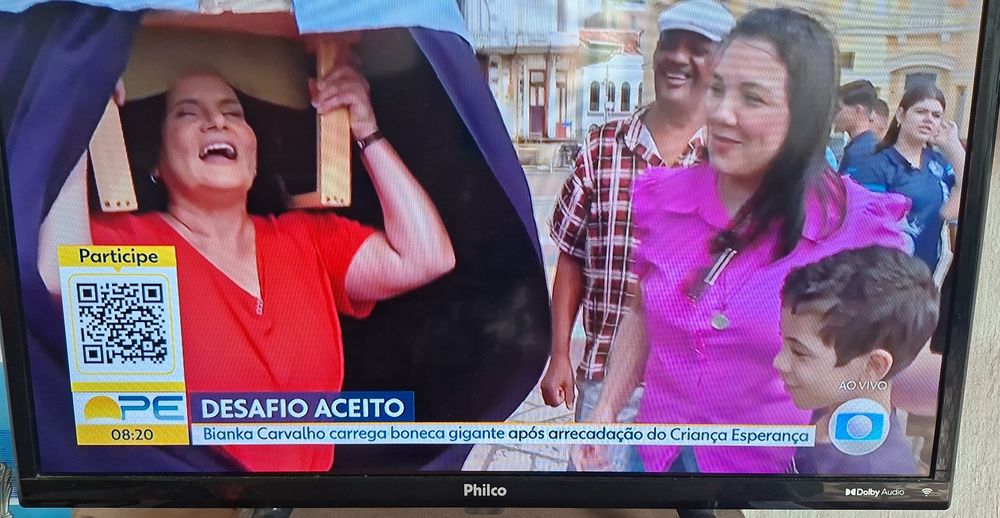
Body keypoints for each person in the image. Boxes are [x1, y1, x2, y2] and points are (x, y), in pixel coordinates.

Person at [37, 47, 456, 472]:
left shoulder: (305, 240)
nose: (216, 121)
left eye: (233, 113)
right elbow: (54, 280)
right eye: (187, 113)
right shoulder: (133, 250)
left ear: (254, 156)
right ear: (158, 161)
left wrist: (366, 129)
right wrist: (78, 114)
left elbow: (426, 256)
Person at [572, 8, 911, 474]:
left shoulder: (857, 227)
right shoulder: (666, 197)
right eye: (717, 88)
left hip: (765, 480)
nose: (721, 113)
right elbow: (639, 313)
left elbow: (882, 372)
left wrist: (847, 446)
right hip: (652, 460)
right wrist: (605, 413)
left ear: (805, 114)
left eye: (753, 97)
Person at [542, 0, 734, 472]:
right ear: (654, 53)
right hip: (604, 379)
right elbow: (571, 256)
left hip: (698, 395)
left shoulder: (732, 162)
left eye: (699, 49)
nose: (679, 58)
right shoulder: (601, 147)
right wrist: (560, 354)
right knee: (591, 501)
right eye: (671, 44)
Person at [774, 246, 938, 475]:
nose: (778, 363)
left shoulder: (874, 478)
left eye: (800, 353)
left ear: (873, 366)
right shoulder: (830, 403)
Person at [849, 82, 965, 273]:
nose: (929, 119)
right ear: (901, 115)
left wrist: (954, 149)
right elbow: (862, 228)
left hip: (925, 282)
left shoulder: (938, 165)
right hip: (881, 279)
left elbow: (952, 210)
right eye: (921, 112)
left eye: (936, 116)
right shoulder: (877, 163)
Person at [833, 80, 880, 176]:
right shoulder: (866, 144)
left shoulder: (862, 151)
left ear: (858, 110)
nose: (835, 115)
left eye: (839, 109)